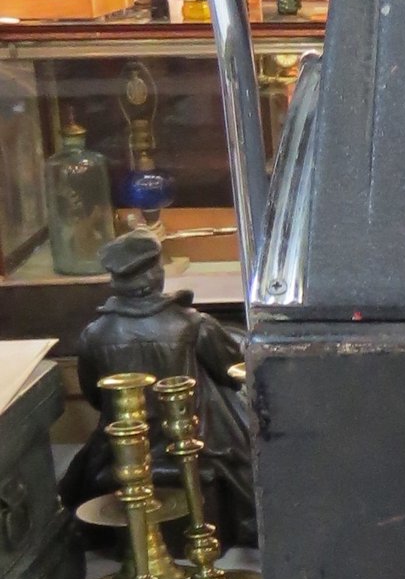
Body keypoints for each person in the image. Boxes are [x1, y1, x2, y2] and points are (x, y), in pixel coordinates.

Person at [61, 231, 258, 547]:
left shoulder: (95, 335)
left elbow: (95, 397)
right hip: (197, 440)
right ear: (155, 275)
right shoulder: (192, 324)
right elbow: (232, 372)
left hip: (126, 446)